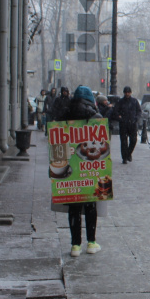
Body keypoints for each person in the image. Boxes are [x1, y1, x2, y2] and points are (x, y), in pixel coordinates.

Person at [51, 85, 103, 258]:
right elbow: (103, 145)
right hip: (90, 170)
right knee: (90, 205)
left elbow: (57, 142)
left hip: (70, 170)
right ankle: (91, 242)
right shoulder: (96, 117)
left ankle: (75, 245)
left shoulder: (64, 115)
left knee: (74, 207)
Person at [109, 86, 142, 164]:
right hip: (123, 124)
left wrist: (136, 118)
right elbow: (115, 112)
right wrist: (120, 118)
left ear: (130, 93)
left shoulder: (134, 101)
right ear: (124, 93)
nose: (127, 94)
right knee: (124, 141)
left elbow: (139, 111)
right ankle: (124, 157)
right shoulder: (120, 102)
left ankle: (128, 153)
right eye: (126, 92)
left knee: (133, 140)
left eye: (128, 92)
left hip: (132, 123)